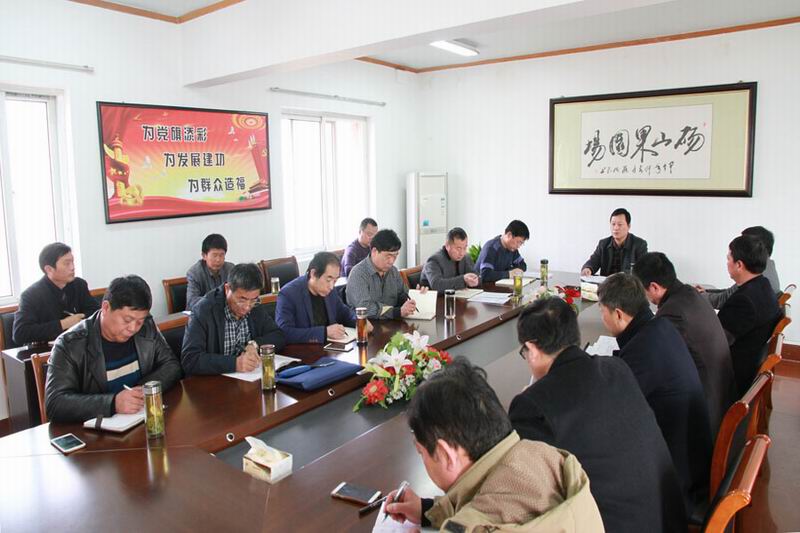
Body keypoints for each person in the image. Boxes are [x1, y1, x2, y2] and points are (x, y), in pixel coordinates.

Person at [508, 298, 686, 533]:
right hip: (667, 521)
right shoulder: (617, 368)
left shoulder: (533, 406)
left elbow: (522, 489)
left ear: (531, 349)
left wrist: (531, 397)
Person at [385, 356, 604, 532]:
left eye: (421, 452)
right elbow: (499, 504)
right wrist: (428, 511)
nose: (423, 460)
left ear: (445, 453)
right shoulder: (547, 456)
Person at [598, 273, 712, 514]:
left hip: (674, 479)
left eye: (602, 311)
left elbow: (609, 410)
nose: (602, 318)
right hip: (688, 456)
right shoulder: (659, 328)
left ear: (618, 314)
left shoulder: (644, 348)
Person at [44, 275, 182, 423]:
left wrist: (143, 389)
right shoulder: (70, 344)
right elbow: (55, 403)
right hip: (97, 430)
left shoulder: (147, 326)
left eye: (139, 321)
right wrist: (112, 403)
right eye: (127, 320)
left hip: (139, 422)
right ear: (105, 308)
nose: (133, 328)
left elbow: (171, 365)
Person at [633, 252, 736, 436]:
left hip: (705, 413)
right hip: (721, 394)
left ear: (654, 287)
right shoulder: (689, 294)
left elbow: (656, 362)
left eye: (643, 291)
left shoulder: (672, 313)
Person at [181, 263, 285, 375]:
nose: (247, 307)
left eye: (253, 300)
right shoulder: (203, 310)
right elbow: (190, 359)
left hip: (248, 379)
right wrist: (235, 364)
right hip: (215, 381)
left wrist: (254, 345)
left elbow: (278, 335)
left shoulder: (254, 305)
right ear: (227, 289)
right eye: (242, 300)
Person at [717, 235, 781, 395]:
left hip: (730, 376)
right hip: (748, 364)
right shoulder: (764, 286)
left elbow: (715, 343)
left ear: (739, 265)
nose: (727, 263)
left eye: (728, 258)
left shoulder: (744, 301)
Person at [13, 242, 100, 345]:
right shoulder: (31, 295)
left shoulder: (79, 285)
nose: (72, 267)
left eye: (72, 262)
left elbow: (96, 312)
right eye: (67, 263)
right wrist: (63, 324)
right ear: (49, 269)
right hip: (45, 349)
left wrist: (80, 320)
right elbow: (20, 333)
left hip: (77, 345)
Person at [276, 251, 371, 343]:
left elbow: (344, 313)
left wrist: (360, 321)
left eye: (335, 281)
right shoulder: (288, 294)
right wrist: (325, 332)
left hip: (332, 347)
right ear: (313, 274)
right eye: (328, 280)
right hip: (304, 350)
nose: (331, 286)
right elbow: (284, 332)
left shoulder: (330, 291)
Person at [701, 226, 782, 309]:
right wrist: (706, 291)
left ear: (756, 246)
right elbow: (731, 292)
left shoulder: (757, 275)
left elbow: (723, 300)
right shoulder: (766, 269)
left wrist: (697, 295)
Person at [346, 229, 418, 319]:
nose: (391, 261)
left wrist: (415, 296)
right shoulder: (358, 274)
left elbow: (403, 294)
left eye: (395, 256)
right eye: (388, 256)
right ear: (374, 251)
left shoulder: (393, 271)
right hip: (368, 325)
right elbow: (365, 308)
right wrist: (396, 312)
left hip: (392, 323)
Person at [581, 208, 648, 276]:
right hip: (606, 282)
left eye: (620, 224)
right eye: (613, 224)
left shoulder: (639, 245)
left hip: (627, 282)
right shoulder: (603, 244)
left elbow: (643, 270)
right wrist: (588, 268)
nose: (616, 228)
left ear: (628, 226)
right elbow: (593, 261)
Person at [420, 227, 480, 292]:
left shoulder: (466, 257)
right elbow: (437, 285)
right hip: (435, 297)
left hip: (459, 296)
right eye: (458, 248)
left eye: (465, 248)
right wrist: (463, 280)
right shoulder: (434, 260)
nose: (462, 253)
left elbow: (477, 277)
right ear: (447, 246)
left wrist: (476, 281)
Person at [186, 233, 234, 310]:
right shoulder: (194, 273)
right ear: (204, 256)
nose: (218, 259)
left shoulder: (230, 269)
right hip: (204, 313)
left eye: (221, 255)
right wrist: (216, 300)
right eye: (214, 255)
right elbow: (191, 302)